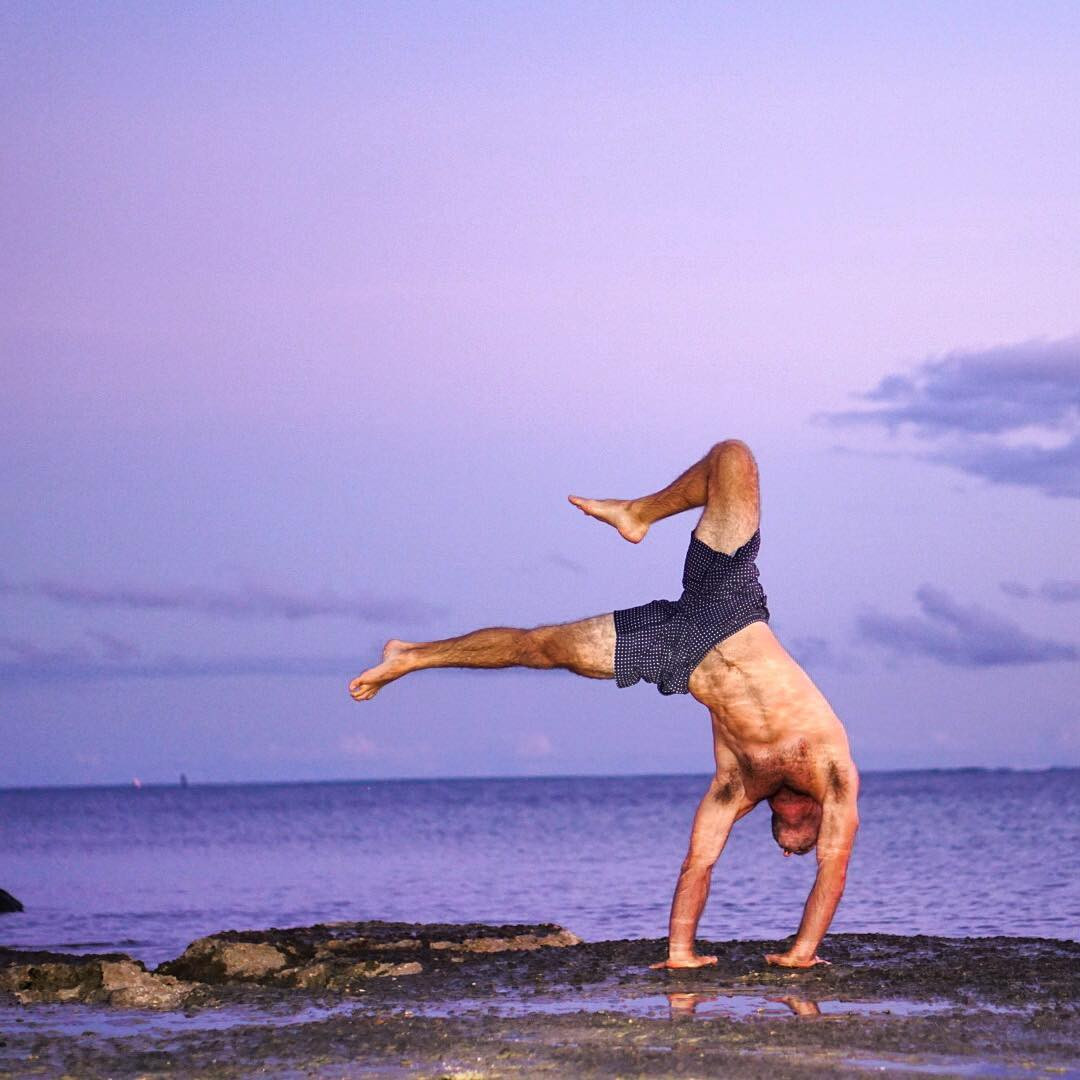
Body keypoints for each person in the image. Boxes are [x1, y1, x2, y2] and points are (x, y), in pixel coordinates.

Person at [349, 440, 860, 970]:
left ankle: (411, 655)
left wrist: (682, 953)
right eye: (805, 837)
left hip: (674, 652)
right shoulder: (832, 770)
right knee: (733, 457)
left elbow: (699, 863)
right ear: (821, 818)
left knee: (542, 647)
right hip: (731, 606)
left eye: (790, 840)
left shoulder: (737, 784)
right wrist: (802, 953)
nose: (795, 838)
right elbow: (835, 867)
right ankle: (639, 512)